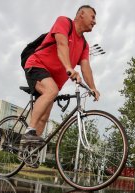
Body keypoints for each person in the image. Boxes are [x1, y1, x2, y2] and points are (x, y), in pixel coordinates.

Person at [22, 5, 100, 143]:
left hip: (52, 80)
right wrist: (69, 68)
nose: (95, 21)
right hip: (37, 65)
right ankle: (29, 130)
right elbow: (62, 45)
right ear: (81, 14)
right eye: (93, 17)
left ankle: (31, 152)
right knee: (51, 91)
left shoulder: (84, 45)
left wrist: (93, 87)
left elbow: (86, 66)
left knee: (45, 116)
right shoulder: (64, 22)